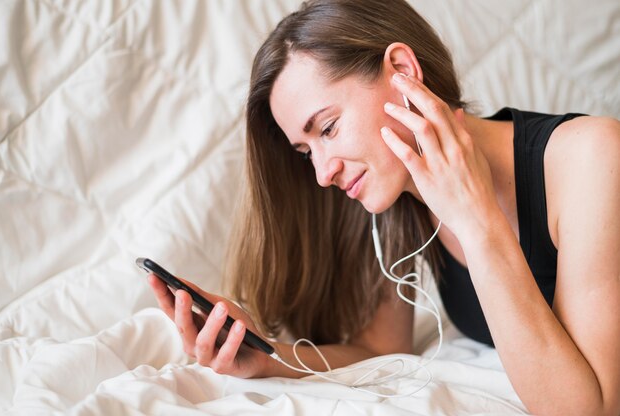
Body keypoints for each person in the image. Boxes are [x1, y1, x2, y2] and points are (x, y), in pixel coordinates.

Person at [147, 0, 620, 414]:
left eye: (328, 128)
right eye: (306, 150)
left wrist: (475, 222)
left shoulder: (592, 157)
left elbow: (588, 408)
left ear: (402, 72)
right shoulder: (400, 195)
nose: (321, 173)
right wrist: (268, 356)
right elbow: (381, 347)